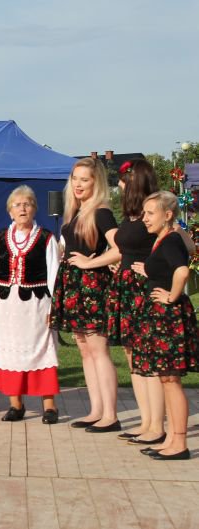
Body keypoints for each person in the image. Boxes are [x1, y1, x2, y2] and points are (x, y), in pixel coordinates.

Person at [67, 159, 194, 444]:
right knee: (134, 356)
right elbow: (123, 249)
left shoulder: (156, 216)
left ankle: (157, 425)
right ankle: (147, 422)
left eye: (125, 181)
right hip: (126, 288)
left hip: (143, 290)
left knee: (148, 358)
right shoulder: (134, 216)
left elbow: (183, 247)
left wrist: (150, 267)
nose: (121, 186)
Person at [0, 186, 61, 423]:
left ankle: (50, 406)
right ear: (10, 211)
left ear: (34, 209)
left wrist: (54, 307)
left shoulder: (46, 238)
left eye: (27, 204)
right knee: (9, 352)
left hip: (35, 305)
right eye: (17, 205)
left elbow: (54, 274)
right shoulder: (0, 237)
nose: (22, 208)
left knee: (42, 351)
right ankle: (16, 405)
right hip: (4, 306)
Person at [50, 157, 120, 432]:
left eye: (85, 180)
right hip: (74, 285)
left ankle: (110, 415)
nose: (78, 184)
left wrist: (91, 263)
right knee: (85, 350)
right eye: (75, 178)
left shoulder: (101, 212)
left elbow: (120, 248)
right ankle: (96, 411)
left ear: (96, 182)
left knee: (98, 350)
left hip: (92, 287)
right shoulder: (75, 211)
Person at [132, 191, 199, 460]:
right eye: (145, 213)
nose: (145, 218)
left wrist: (171, 296)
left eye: (151, 213)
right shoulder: (165, 238)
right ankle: (171, 439)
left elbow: (182, 270)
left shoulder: (170, 240)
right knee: (166, 378)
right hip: (160, 317)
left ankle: (179, 443)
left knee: (171, 380)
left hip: (168, 317)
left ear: (168, 215)